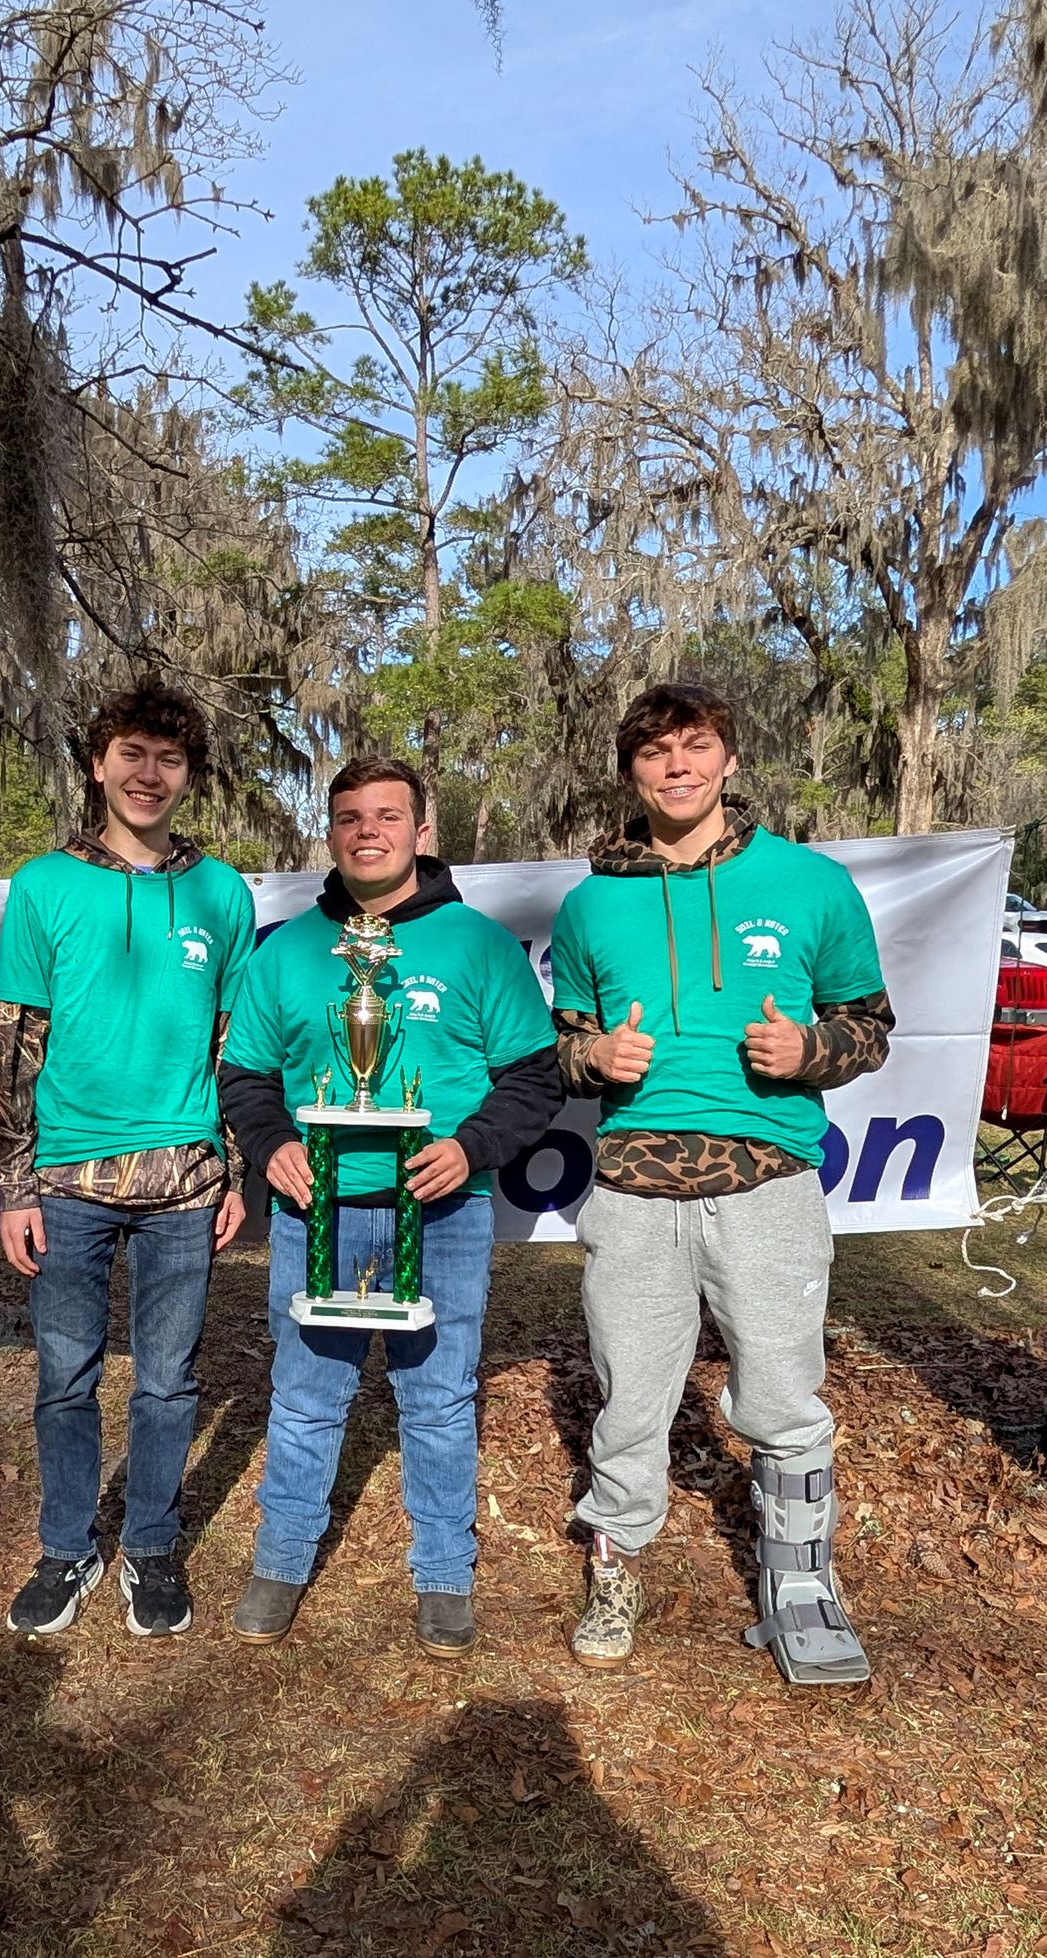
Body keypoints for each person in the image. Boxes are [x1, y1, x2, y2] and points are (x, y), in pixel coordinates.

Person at [549, 683, 893, 1685]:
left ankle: (800, 1584)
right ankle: (614, 1566)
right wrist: (593, 1059)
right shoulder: (585, 904)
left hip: (768, 1179)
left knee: (783, 1393)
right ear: (631, 772)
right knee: (629, 1393)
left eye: (694, 747)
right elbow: (563, 1044)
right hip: (631, 1184)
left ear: (728, 760)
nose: (676, 766)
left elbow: (868, 1026)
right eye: (654, 752)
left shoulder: (810, 883)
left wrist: (808, 1047)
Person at [218, 758, 562, 1658]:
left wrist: (469, 1147)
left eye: (386, 816)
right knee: (303, 1397)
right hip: (315, 1211)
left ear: (422, 831)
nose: (367, 831)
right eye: (348, 818)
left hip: (442, 1213)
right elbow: (246, 1075)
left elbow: (533, 1076)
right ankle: (283, 1557)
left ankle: (444, 1571)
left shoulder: (478, 945)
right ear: (330, 833)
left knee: (441, 1400)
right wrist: (272, 1147)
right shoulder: (288, 949)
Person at [0, 682, 255, 1639]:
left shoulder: (222, 892)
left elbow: (235, 1042)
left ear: (189, 775)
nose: (150, 775)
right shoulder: (43, 886)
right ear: (99, 764)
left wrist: (229, 1165)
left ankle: (150, 1544)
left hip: (183, 1185)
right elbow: (19, 1041)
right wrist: (14, 1185)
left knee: (168, 1381)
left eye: (170, 759)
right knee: (64, 1377)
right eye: (132, 755)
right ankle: (67, 1548)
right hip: (65, 1183)